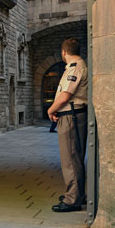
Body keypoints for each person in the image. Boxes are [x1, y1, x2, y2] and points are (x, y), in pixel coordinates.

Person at [47, 38, 88, 212]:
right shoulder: (77, 66)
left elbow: (65, 96)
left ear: (64, 52)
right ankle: (77, 194)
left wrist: (50, 110)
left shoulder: (75, 67)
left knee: (70, 160)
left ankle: (72, 200)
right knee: (74, 158)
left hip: (71, 116)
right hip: (72, 114)